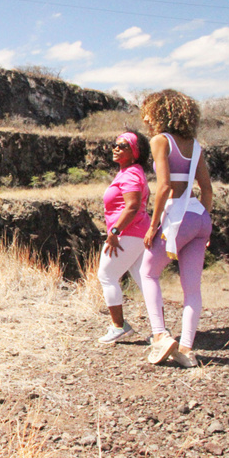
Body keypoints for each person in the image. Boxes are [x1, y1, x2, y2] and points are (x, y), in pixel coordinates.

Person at [140, 90, 213, 368]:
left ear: (160, 112)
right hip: (198, 216)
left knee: (148, 272)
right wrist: (205, 222)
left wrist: (153, 225)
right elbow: (206, 189)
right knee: (192, 288)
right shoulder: (195, 146)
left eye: (148, 111)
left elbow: (165, 187)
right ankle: (186, 349)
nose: (145, 117)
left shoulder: (161, 141)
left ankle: (160, 335)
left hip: (175, 217)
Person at [97, 131, 151, 344]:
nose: (116, 148)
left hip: (128, 233)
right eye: (115, 144)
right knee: (144, 279)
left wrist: (115, 232)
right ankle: (160, 330)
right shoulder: (128, 172)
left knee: (107, 275)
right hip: (136, 233)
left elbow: (133, 206)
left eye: (123, 145)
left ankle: (119, 327)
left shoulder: (130, 174)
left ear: (135, 152)